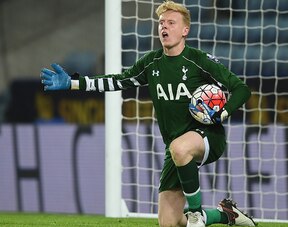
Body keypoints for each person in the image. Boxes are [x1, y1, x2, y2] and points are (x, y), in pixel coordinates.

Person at [40, 1, 256, 226]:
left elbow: (242, 89)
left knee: (180, 149)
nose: (164, 27)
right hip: (175, 149)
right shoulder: (151, 64)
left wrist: (222, 113)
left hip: (208, 136)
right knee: (169, 222)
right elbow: (116, 81)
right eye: (161, 23)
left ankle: (196, 213)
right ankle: (226, 215)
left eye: (171, 23)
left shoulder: (199, 60)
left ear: (185, 30)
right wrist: (74, 83)